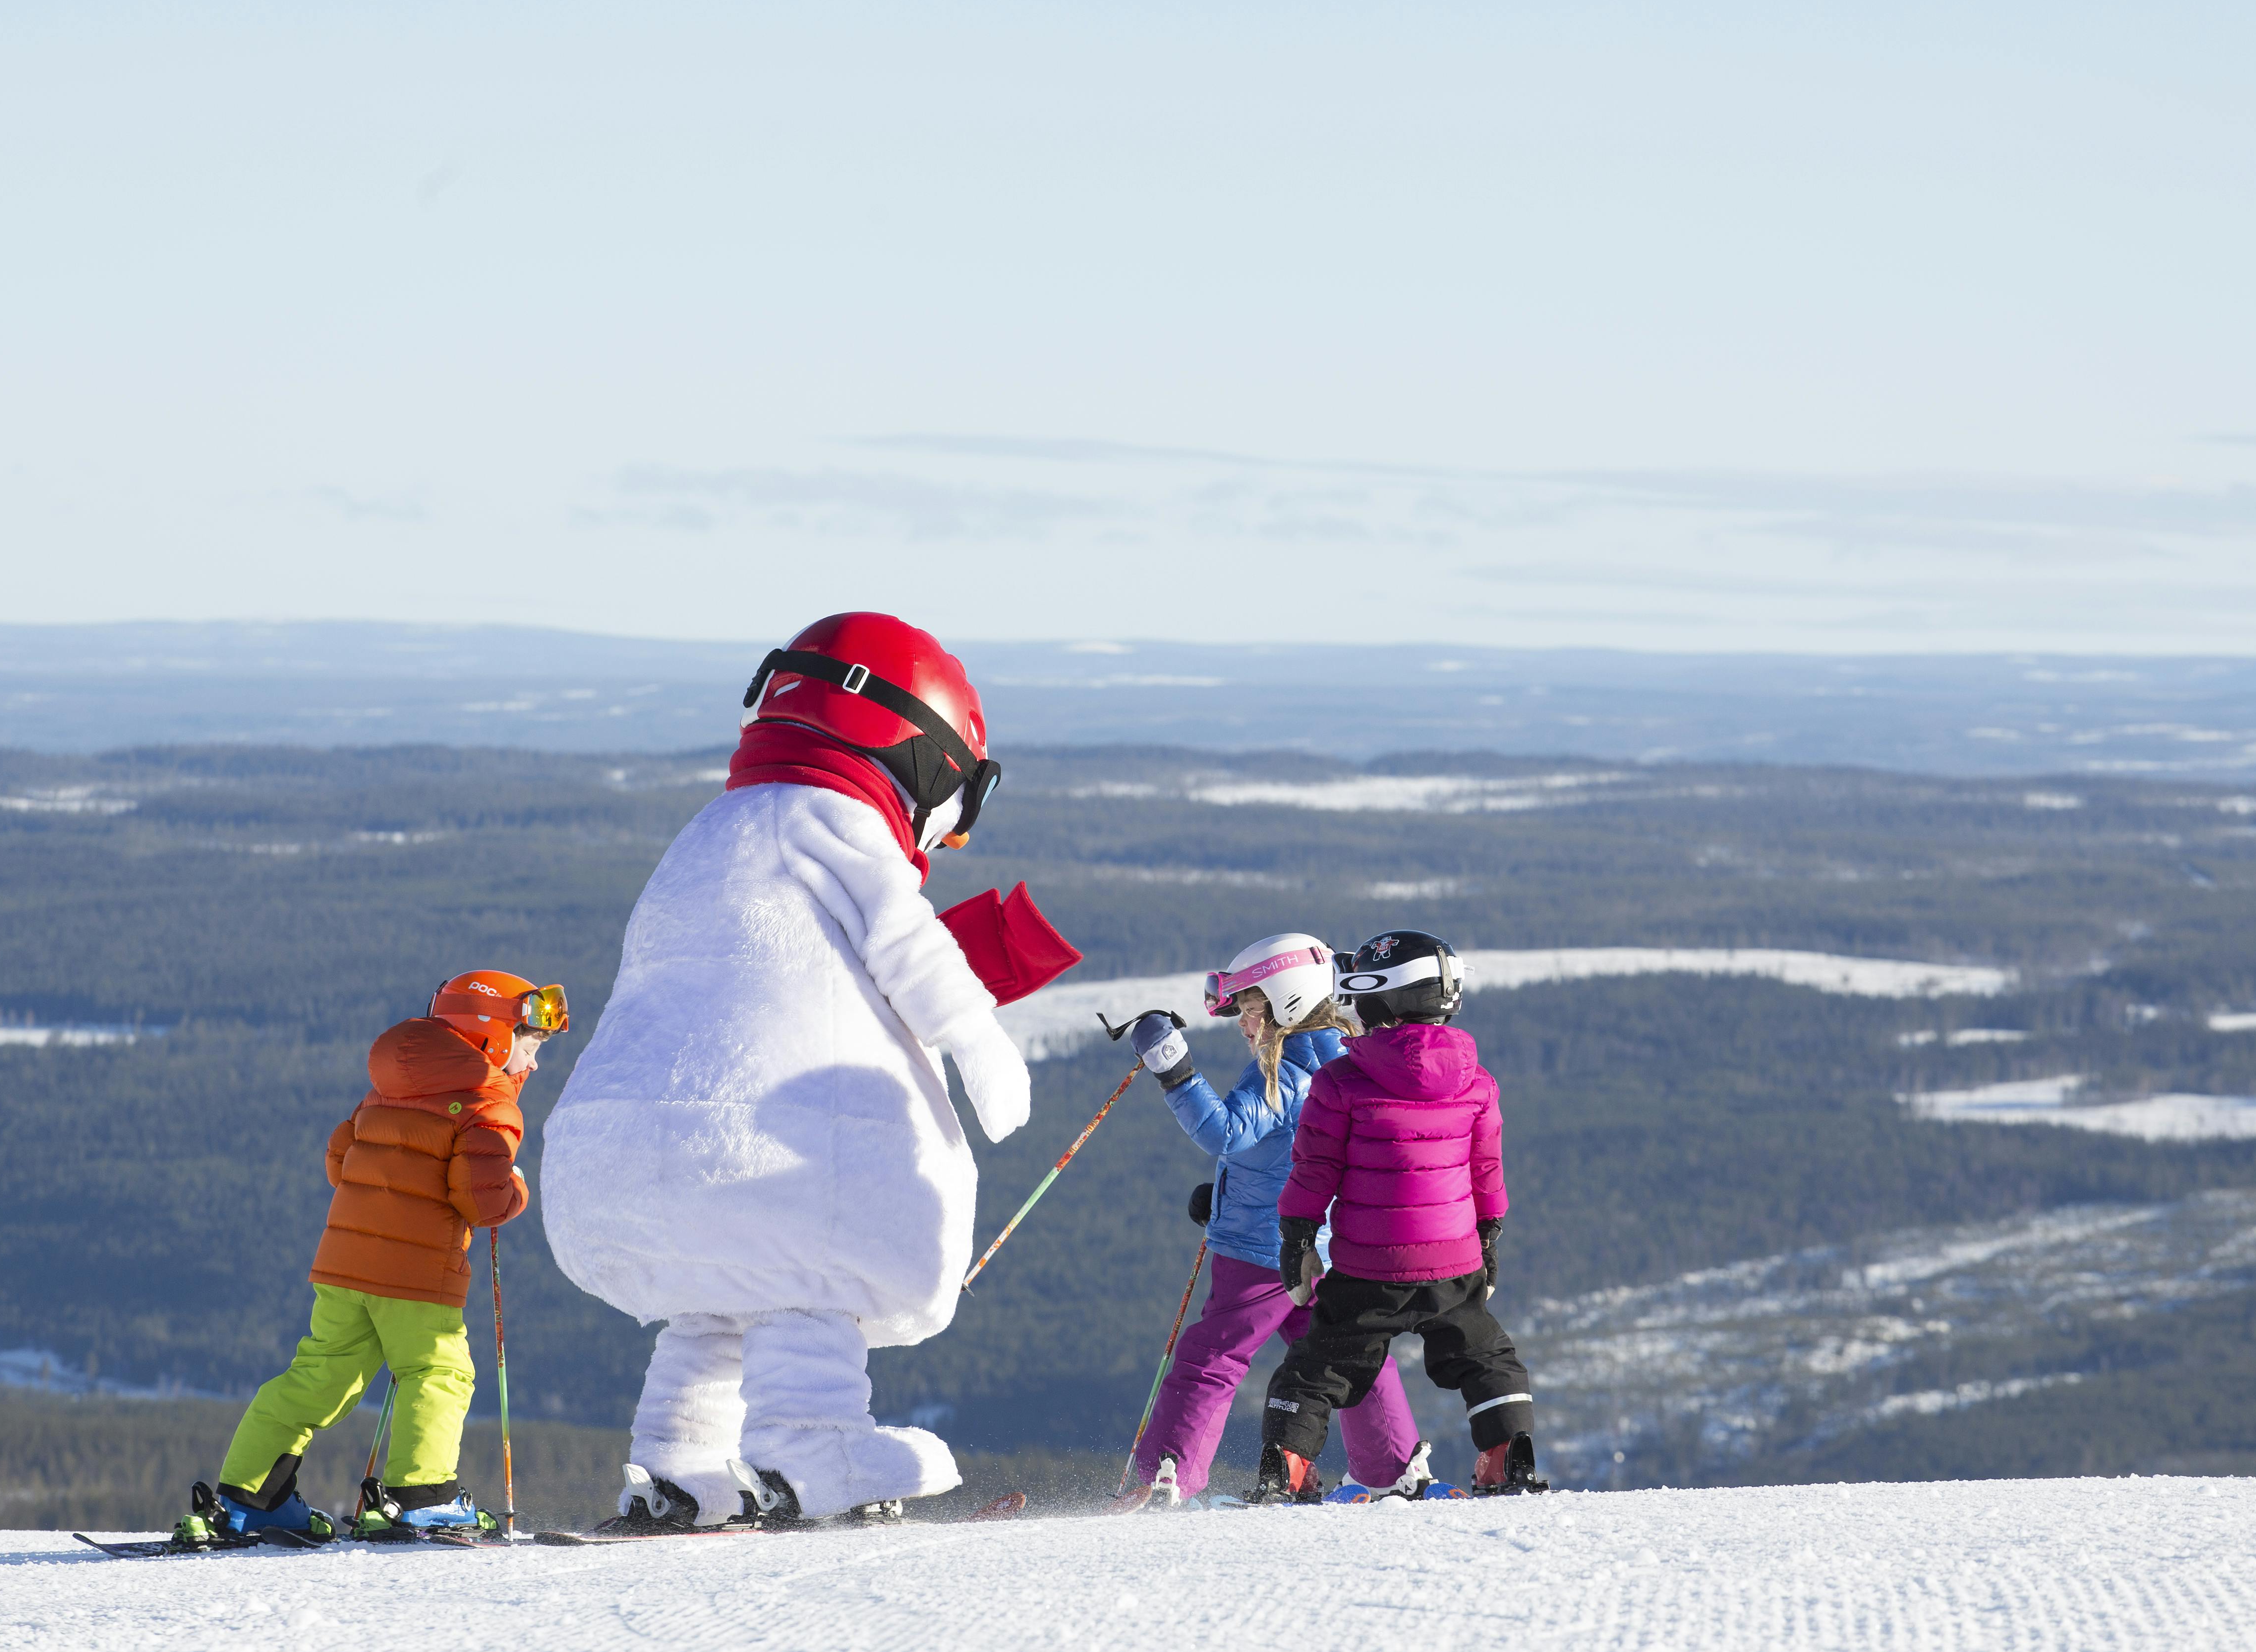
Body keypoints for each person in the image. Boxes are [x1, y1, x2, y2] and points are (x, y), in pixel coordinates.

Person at [539, 613, 1073, 1531]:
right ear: (923, 756)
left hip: (622, 1162)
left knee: (714, 1307)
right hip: (770, 1161)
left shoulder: (710, 831)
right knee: (806, 1280)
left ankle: (678, 1466)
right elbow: (910, 951)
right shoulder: (834, 823)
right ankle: (811, 1445)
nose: (947, 839)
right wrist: (987, 1056)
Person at [189, 969, 563, 1545]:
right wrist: (515, 1187)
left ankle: (249, 1499)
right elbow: (480, 1199)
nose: (534, 1063)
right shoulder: (489, 1103)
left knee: (319, 1378)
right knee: (439, 1371)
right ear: (490, 1036)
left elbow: (340, 1160)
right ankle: (421, 1499)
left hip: (343, 1268)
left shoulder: (388, 1084)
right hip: (416, 1276)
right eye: (530, 1044)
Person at [1112, 933, 1437, 1507]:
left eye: (1250, 1006)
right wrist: (1226, 1195)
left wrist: (1173, 1067)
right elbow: (1296, 1153)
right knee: (1344, 1351)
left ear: (1287, 1001)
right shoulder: (1342, 1057)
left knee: (1211, 1358)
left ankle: (1167, 1475)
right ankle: (1393, 1469)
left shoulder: (1285, 1069)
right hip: (1329, 1246)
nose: (1241, 1021)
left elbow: (1224, 1132)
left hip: (1264, 1252)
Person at [1253, 929, 1547, 1505]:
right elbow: (1486, 1172)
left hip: (1367, 1269)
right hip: (1454, 1265)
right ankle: (1506, 1457)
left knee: (1318, 1366)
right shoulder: (1477, 1082)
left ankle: (1286, 1469)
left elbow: (1314, 1173)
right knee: (1487, 1357)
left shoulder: (1338, 1083)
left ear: (1376, 997)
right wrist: (1489, 1239)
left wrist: (1298, 1240)